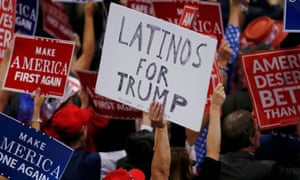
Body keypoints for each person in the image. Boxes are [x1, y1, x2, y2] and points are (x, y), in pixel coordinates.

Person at [219, 110, 300, 179]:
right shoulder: (267, 170)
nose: (260, 132)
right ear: (252, 139)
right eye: (258, 129)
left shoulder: (215, 164)